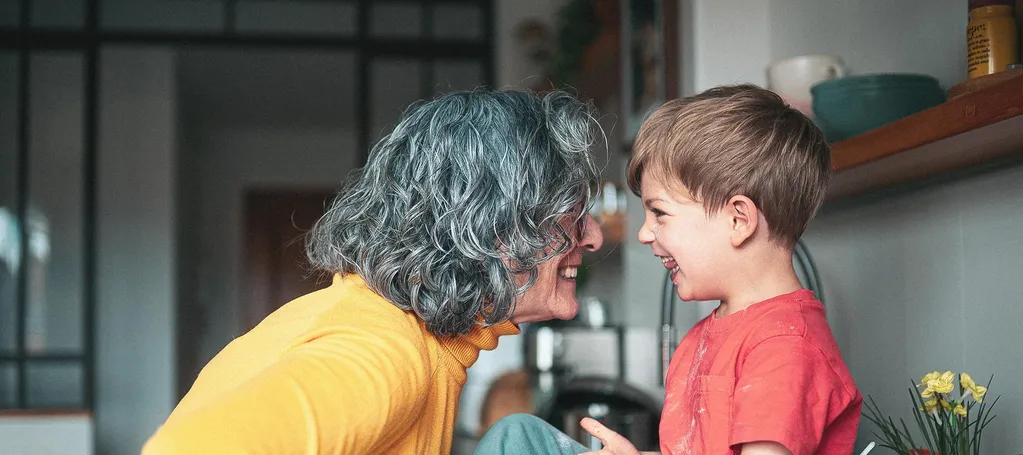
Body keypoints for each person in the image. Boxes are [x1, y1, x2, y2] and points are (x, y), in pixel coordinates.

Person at [141, 88, 606, 455]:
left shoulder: (410, 336)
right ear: (493, 228)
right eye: (572, 211)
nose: (595, 235)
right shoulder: (385, 352)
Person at [476, 85, 861, 455]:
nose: (644, 233)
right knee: (517, 434)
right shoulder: (711, 334)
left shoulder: (784, 347)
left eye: (660, 213)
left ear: (738, 220)